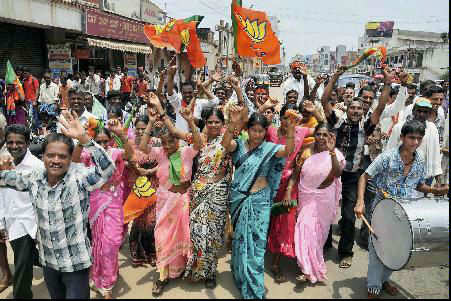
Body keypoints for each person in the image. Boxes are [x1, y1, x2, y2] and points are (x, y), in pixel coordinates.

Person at [0, 110, 116, 299]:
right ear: (42, 157)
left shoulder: (79, 178)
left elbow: (108, 170)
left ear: (70, 159)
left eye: (62, 156)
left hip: (76, 265)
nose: (56, 160)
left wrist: (85, 139)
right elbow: (6, 178)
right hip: (50, 264)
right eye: (50, 155)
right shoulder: (34, 178)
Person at [355, 120, 449, 299]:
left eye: (419, 139)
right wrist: (360, 202)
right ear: (402, 137)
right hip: (382, 209)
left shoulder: (420, 159)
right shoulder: (387, 157)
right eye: (411, 138)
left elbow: (419, 184)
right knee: (378, 248)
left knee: (398, 249)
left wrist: (434, 190)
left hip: (406, 211)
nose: (415, 142)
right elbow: (363, 177)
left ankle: (383, 279)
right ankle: (373, 286)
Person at [222, 110, 296, 299]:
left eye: (261, 131)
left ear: (265, 132)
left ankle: (254, 289)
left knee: (256, 246)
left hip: (260, 201)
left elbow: (287, 151)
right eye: (253, 130)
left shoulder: (269, 149)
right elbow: (225, 144)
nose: (257, 134)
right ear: (248, 130)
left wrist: (291, 129)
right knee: (240, 242)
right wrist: (232, 123)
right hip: (239, 199)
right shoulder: (238, 146)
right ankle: (240, 274)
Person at [321, 66, 389, 269]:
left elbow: (381, 106)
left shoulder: (366, 126)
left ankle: (345, 252)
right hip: (333, 174)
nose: (356, 111)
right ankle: (322, 244)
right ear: (348, 107)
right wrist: (335, 76)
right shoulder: (337, 122)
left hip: (352, 177)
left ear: (363, 112)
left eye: (360, 109)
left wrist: (387, 82)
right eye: (353, 108)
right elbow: (324, 101)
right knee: (326, 211)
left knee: (349, 217)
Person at [141, 93, 202, 296]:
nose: (168, 147)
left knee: (185, 236)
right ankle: (162, 276)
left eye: (171, 143)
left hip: (184, 201)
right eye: (165, 144)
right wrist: (150, 123)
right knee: (162, 237)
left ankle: (181, 269)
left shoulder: (186, 152)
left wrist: (190, 122)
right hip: (165, 200)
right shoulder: (159, 153)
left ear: (178, 141)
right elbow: (142, 148)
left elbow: (198, 143)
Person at [72, 119, 133, 299]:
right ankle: (104, 282)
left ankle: (108, 277)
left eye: (105, 141)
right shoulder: (88, 154)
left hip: (114, 203)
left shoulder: (115, 152)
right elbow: (75, 159)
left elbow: (131, 155)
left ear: (110, 142)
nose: (102, 144)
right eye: (98, 141)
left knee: (112, 244)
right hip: (96, 202)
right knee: (98, 243)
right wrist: (79, 138)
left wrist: (122, 134)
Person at [182, 107, 233, 288]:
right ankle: (197, 269)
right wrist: (189, 120)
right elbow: (185, 136)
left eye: (216, 122)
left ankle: (210, 272)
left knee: (213, 235)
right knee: (197, 233)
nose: (212, 125)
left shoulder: (228, 142)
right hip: (198, 193)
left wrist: (233, 121)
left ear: (223, 124)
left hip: (218, 194)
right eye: (209, 122)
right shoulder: (200, 140)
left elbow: (229, 143)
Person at [291, 123, 345, 284]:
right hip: (306, 195)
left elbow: (337, 173)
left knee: (319, 234)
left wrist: (332, 152)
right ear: (314, 135)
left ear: (330, 137)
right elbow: (296, 173)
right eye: (319, 134)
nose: (322, 138)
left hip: (325, 198)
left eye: (325, 134)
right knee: (305, 228)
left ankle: (311, 265)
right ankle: (305, 267)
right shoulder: (306, 151)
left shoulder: (336, 153)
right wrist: (288, 191)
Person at [266, 104, 313, 283]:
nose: (289, 121)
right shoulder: (272, 131)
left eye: (293, 118)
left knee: (285, 221)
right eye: (286, 117)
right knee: (271, 219)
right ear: (281, 118)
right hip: (270, 182)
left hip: (290, 183)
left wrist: (313, 110)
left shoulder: (300, 131)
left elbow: (324, 127)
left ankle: (276, 263)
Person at [0, 125, 43, 298]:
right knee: (30, 259)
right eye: (10, 142)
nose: (14, 146)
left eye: (19, 142)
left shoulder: (37, 166)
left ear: (27, 143)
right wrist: (1, 223)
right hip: (10, 222)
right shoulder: (3, 162)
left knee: (22, 268)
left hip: (29, 224)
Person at [123, 114, 160, 268]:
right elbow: (123, 160)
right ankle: (138, 255)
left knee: (151, 221)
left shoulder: (156, 143)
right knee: (138, 220)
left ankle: (152, 253)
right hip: (136, 186)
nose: (139, 132)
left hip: (152, 185)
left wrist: (151, 171)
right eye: (137, 129)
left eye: (143, 129)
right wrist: (133, 166)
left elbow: (164, 160)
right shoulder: (129, 144)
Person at [386, 98, 442, 188]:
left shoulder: (432, 128)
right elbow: (389, 150)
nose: (421, 114)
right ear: (413, 111)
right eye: (419, 111)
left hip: (424, 178)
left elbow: (435, 155)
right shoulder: (399, 127)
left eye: (425, 112)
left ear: (429, 113)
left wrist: (438, 180)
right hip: (400, 175)